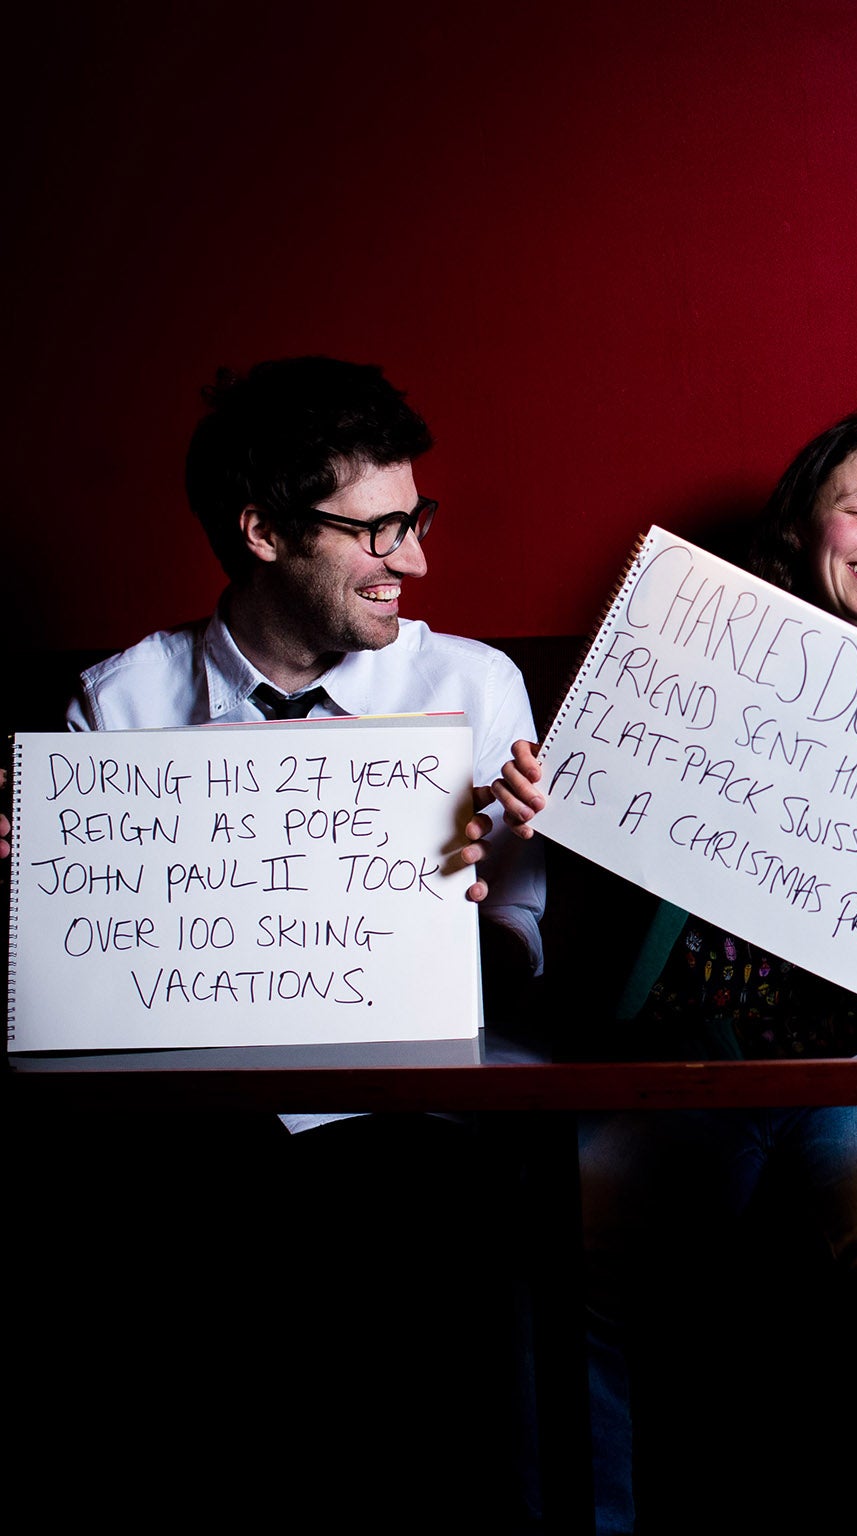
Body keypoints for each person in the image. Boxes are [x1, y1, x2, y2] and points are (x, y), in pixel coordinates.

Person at [18, 355, 542, 1526]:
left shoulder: (475, 686)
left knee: (416, 1201)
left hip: (417, 1132)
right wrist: (33, 897)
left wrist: (477, 896)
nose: (415, 560)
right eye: (378, 530)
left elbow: (524, 964)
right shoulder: (120, 705)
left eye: (416, 520)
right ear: (261, 531)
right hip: (194, 1142)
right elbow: (94, 1001)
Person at [493, 409, 857, 1531]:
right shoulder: (681, 668)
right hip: (694, 1063)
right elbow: (588, 861)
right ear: (807, 524)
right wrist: (538, 807)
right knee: (557, 1230)